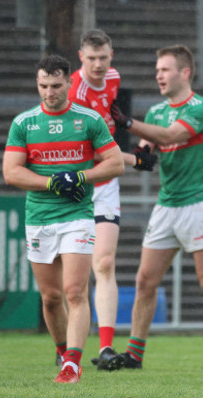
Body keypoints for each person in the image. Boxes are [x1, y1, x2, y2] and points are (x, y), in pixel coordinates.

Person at [107, 44, 203, 369]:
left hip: (200, 204)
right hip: (167, 206)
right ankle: (134, 354)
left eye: (164, 69)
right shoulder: (156, 112)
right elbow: (143, 159)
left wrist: (127, 123)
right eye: (157, 69)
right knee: (144, 281)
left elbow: (167, 136)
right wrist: (98, 153)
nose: (158, 75)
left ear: (185, 73)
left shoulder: (200, 108)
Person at [3, 54, 125, 383]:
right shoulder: (24, 123)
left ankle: (73, 363)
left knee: (74, 291)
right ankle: (61, 350)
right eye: (43, 85)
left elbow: (116, 164)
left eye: (56, 85)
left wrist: (81, 178)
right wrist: (52, 182)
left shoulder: (88, 120)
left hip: (77, 215)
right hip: (40, 217)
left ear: (70, 83)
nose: (49, 92)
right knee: (51, 297)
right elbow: (11, 172)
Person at [67, 29, 156, 371]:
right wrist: (135, 159)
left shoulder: (114, 79)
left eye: (104, 58)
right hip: (78, 183)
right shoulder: (75, 92)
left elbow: (109, 127)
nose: (99, 65)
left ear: (111, 55)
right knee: (68, 282)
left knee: (103, 263)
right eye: (92, 59)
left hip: (104, 184)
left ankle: (105, 349)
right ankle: (67, 348)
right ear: (81, 58)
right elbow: (91, 150)